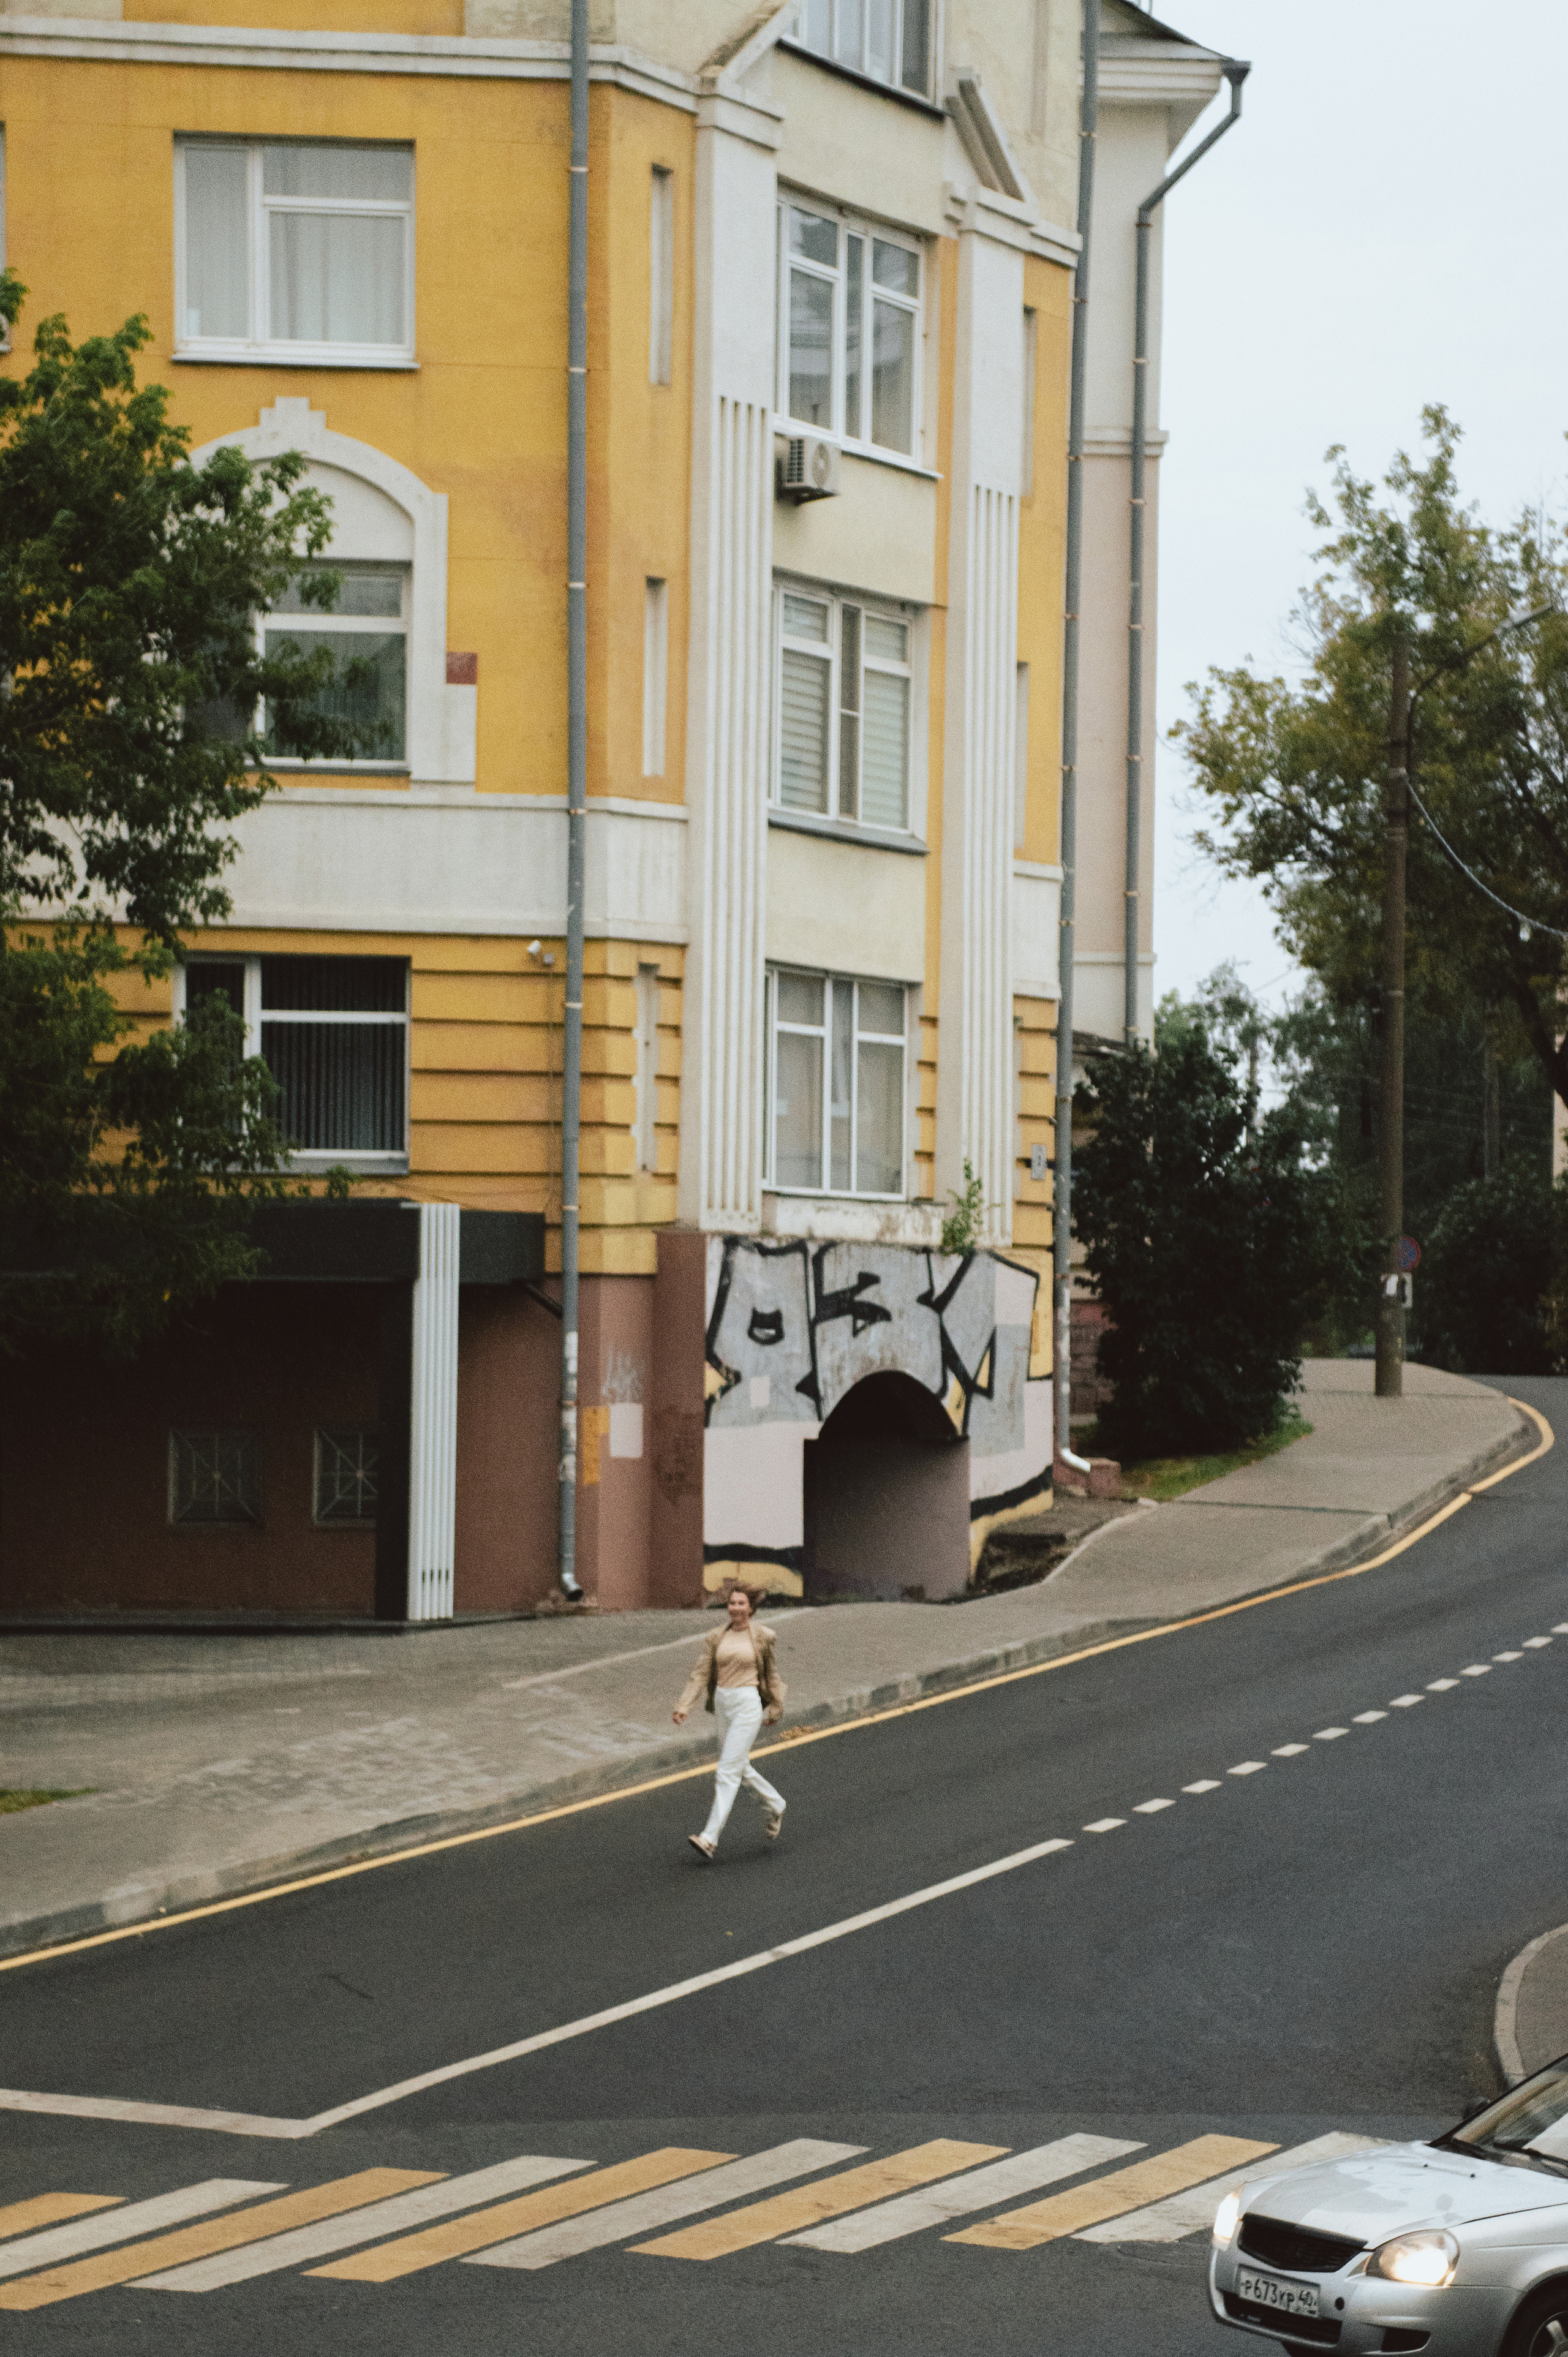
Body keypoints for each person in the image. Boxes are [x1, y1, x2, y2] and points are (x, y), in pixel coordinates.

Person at [673, 1586, 788, 1860]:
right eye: (732, 1603)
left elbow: (771, 1675)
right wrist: (684, 1705)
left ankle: (709, 1839)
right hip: (723, 1703)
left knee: (726, 1770)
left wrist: (775, 1708)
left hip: (748, 1703)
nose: (735, 1607)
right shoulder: (716, 1637)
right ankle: (776, 1803)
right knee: (738, 1764)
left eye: (741, 1603)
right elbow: (700, 1674)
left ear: (750, 1608)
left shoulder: (762, 1637)